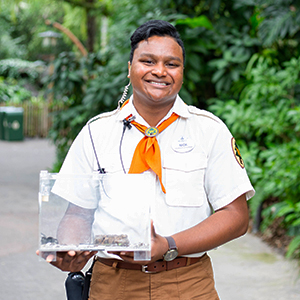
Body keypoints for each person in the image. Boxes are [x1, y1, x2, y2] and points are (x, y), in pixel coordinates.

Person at [40, 20, 255, 299]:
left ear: (182, 72)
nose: (159, 71)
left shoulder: (209, 130)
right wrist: (70, 249)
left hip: (188, 283)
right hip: (113, 284)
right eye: (148, 61)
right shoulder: (97, 132)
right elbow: (78, 213)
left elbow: (236, 217)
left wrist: (167, 244)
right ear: (130, 68)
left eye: (171, 64)